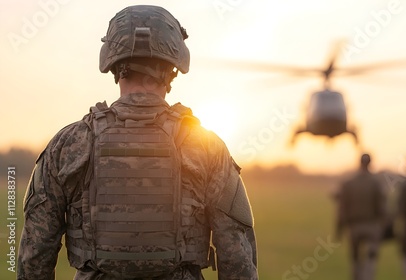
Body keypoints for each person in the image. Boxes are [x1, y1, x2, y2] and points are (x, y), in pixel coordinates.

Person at [17, 5, 258, 280]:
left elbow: (34, 256)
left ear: (113, 63)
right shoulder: (206, 146)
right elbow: (237, 259)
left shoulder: (69, 144)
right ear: (173, 67)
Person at [335, 153, 387, 280]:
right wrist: (384, 227)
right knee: (371, 260)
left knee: (355, 261)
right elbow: (382, 207)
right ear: (370, 163)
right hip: (372, 227)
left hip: (354, 227)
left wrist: (339, 229)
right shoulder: (376, 183)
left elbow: (342, 209)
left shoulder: (348, 183)